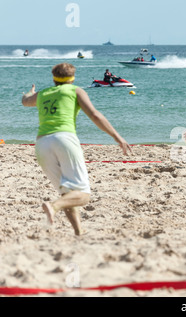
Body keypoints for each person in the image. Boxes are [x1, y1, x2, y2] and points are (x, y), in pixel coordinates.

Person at [21, 63, 132, 235]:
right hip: (65, 140)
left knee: (68, 194)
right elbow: (95, 115)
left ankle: (79, 232)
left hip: (42, 144)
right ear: (72, 78)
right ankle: (53, 206)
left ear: (54, 78)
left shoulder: (42, 94)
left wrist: (29, 92)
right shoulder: (75, 91)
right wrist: (118, 137)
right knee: (82, 195)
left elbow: (25, 101)